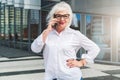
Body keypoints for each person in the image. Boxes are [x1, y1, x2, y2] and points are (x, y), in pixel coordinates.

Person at [31, 1, 100, 80]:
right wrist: (47, 30)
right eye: (58, 16)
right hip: (51, 77)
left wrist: (81, 62)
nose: (62, 19)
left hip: (71, 77)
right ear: (53, 17)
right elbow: (35, 49)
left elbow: (95, 48)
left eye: (65, 16)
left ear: (69, 17)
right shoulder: (47, 34)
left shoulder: (75, 34)